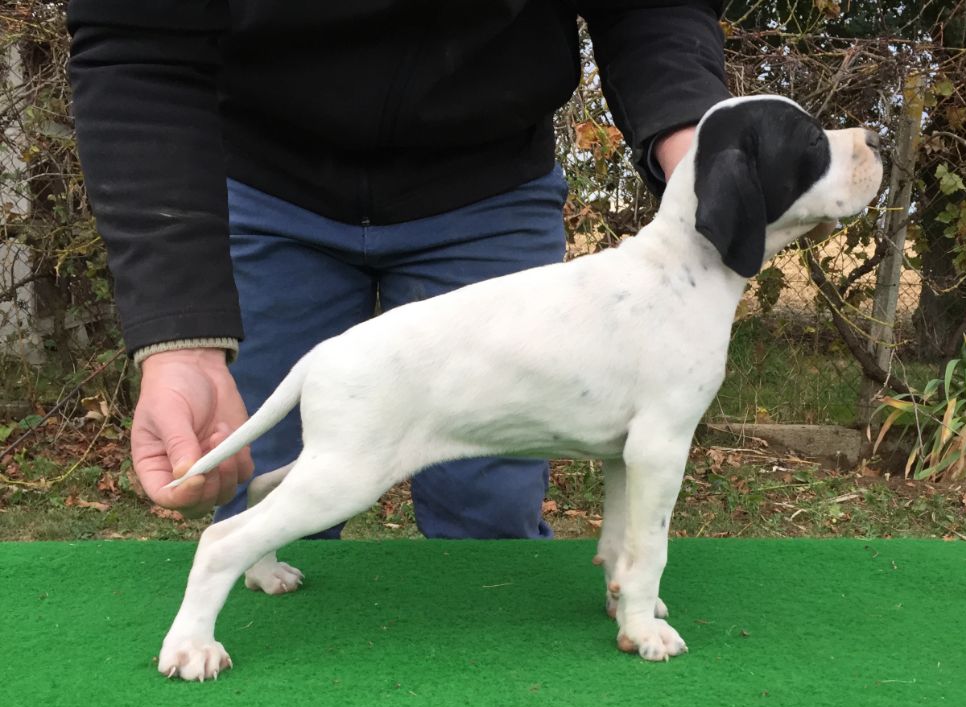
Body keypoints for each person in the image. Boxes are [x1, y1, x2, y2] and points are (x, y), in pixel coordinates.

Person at [66, 1, 730, 538]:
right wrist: (180, 339)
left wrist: (703, 150)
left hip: (486, 182)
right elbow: (136, 40)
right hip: (265, 174)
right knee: (267, 493)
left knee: (489, 513)